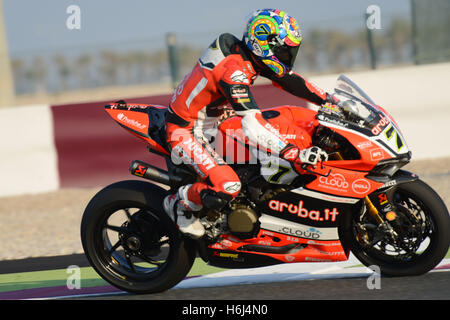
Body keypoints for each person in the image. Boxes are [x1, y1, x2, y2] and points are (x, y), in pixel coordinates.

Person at [163, 8, 335, 238]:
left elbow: (290, 81)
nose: (287, 57)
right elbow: (252, 126)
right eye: (284, 51)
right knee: (228, 186)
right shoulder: (234, 71)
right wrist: (292, 152)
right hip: (185, 130)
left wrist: (331, 101)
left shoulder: (251, 57)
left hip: (213, 122)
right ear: (264, 44)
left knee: (274, 150)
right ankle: (180, 202)